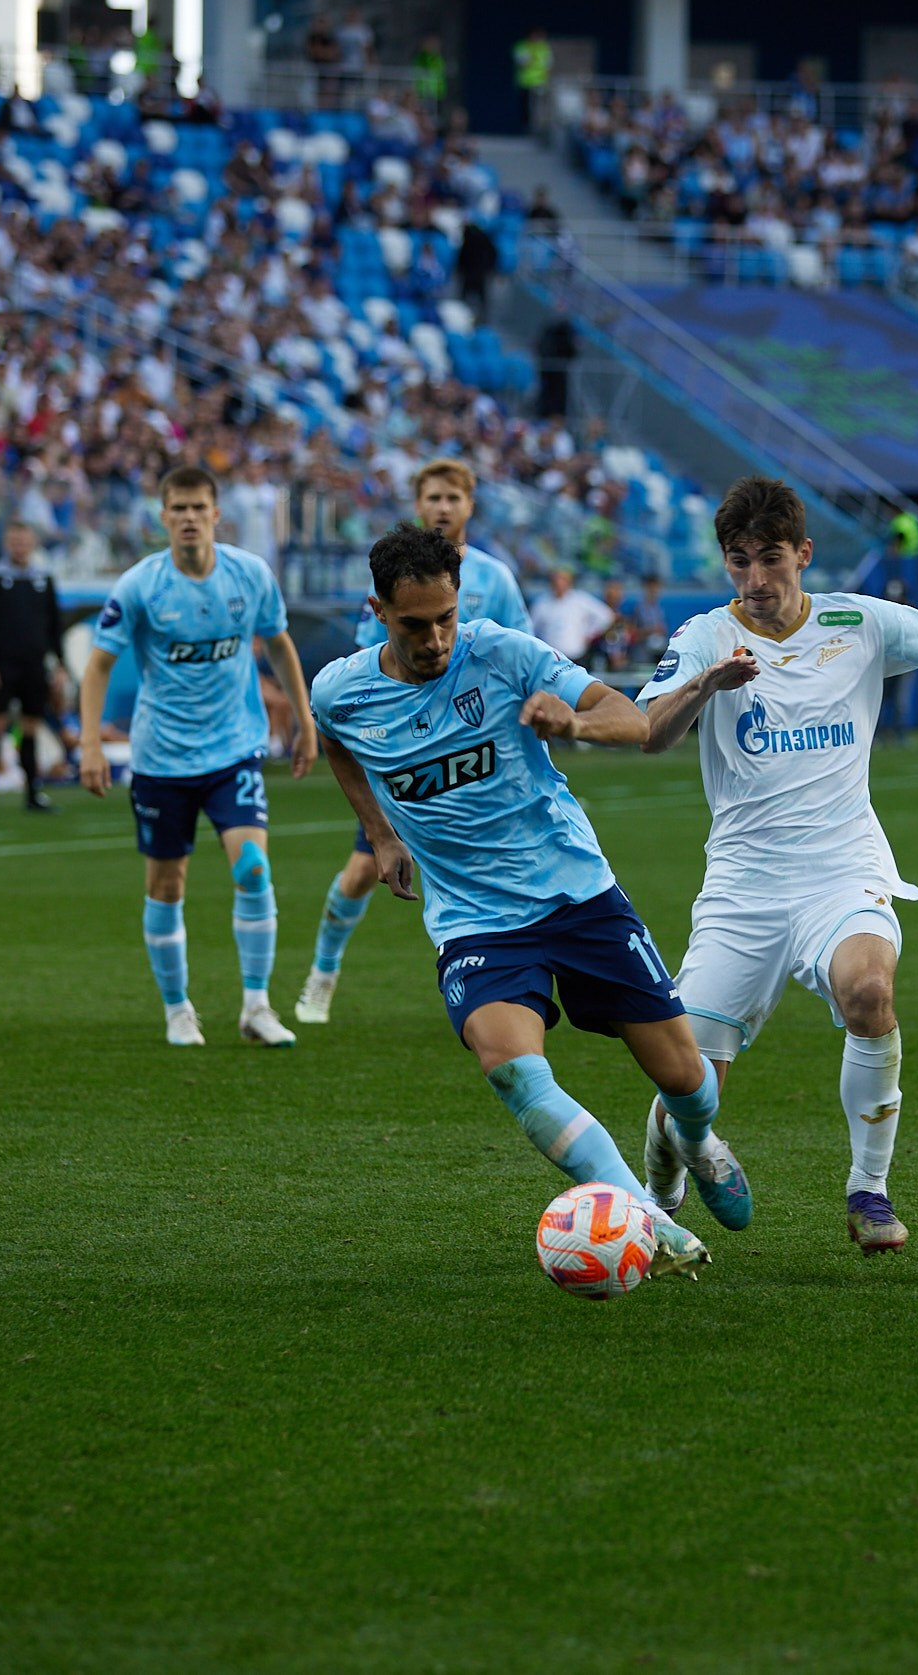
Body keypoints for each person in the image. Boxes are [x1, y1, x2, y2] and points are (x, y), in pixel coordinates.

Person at [636, 476, 918, 1253]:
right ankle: (665, 1180)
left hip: (842, 867)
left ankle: (869, 1190)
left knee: (870, 990)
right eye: (739, 561)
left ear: (803, 553)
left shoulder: (861, 621)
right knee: (688, 1085)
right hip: (743, 884)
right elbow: (650, 732)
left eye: (771, 558)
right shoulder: (707, 635)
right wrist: (709, 682)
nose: (755, 579)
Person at [311, 521, 713, 1278]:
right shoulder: (342, 689)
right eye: (413, 624)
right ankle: (649, 1219)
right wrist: (380, 833)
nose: (434, 639)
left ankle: (692, 1139)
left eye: (445, 618)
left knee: (686, 1079)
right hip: (474, 920)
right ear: (378, 611)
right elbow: (333, 737)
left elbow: (634, 719)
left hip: (575, 893)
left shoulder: (501, 652)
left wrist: (575, 720)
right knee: (509, 1066)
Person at [78, 466, 317, 1049]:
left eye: (197, 508)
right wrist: (89, 742)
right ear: (163, 517)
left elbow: (279, 643)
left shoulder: (250, 574)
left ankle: (257, 1006)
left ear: (216, 515)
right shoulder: (140, 586)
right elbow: (99, 664)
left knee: (253, 869)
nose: (188, 517)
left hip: (234, 751)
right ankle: (177, 1009)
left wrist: (304, 720)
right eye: (178, 508)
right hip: (161, 758)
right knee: (166, 886)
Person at [295, 459, 529, 1028]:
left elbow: (523, 655)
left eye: (453, 497)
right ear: (418, 505)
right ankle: (322, 974)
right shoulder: (390, 584)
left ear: (470, 505)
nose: (443, 507)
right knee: (361, 871)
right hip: (408, 757)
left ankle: (502, 989)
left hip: (479, 761)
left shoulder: (496, 578)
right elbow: (363, 671)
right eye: (433, 497)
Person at [0, 523, 67, 814]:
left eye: (24, 541)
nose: (20, 546)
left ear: (33, 543)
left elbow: (54, 625)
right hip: (3, 664)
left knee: (31, 726)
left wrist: (60, 663)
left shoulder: (43, 578)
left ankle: (32, 793)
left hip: (34, 665)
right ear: (7, 544)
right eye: (14, 541)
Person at [529, 566, 614, 661]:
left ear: (569, 582)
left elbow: (606, 616)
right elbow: (531, 627)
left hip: (576, 656)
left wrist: (589, 633)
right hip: (552, 658)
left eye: (563, 580)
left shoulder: (580, 599)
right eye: (556, 580)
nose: (559, 583)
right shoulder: (541, 603)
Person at [512, 27, 552, 134]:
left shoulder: (544, 47)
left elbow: (548, 65)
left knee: (539, 108)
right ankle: (526, 129)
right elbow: (523, 63)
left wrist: (546, 80)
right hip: (525, 82)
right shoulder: (521, 46)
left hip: (540, 83)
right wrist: (533, 59)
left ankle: (539, 129)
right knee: (525, 108)